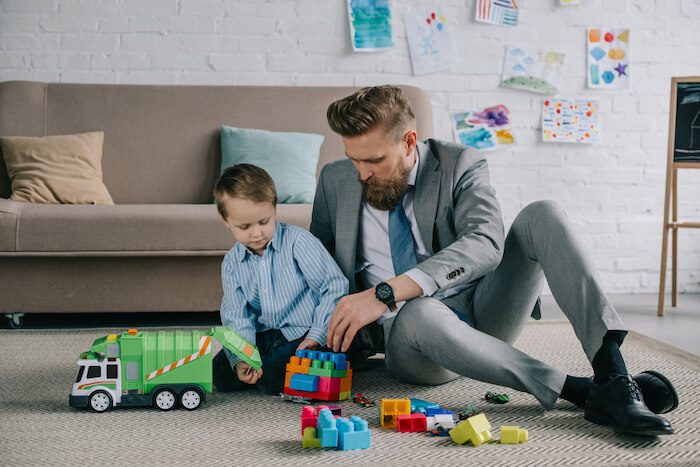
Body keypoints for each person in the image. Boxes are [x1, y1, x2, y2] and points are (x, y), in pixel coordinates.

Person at [310, 85, 678, 436]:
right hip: (410, 336)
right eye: (353, 159)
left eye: (374, 160)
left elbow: (485, 242)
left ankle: (613, 375)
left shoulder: (459, 163)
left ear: (409, 142)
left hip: (482, 308)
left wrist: (384, 292)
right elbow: (317, 264)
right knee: (420, 310)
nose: (362, 174)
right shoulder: (335, 180)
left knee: (543, 214)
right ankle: (581, 391)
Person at [211, 163, 348, 395]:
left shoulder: (299, 243)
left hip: (303, 332)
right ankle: (262, 369)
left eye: (264, 222)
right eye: (244, 226)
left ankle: (277, 370)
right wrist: (243, 357)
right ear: (226, 221)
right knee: (220, 372)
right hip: (264, 336)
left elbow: (334, 287)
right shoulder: (232, 263)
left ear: (275, 210)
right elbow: (236, 315)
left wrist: (317, 334)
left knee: (277, 373)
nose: (256, 233)